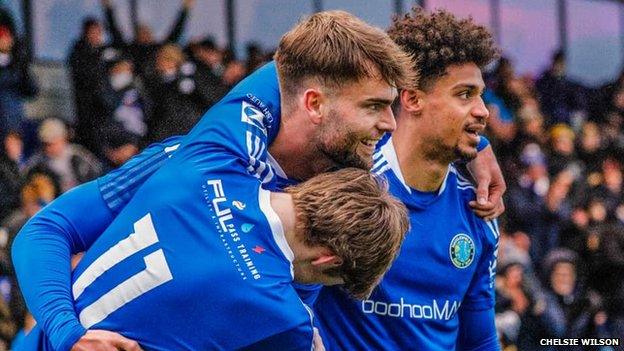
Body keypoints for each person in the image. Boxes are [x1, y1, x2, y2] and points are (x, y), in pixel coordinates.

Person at [13, 10, 503, 350]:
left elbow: (318, 50)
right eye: (376, 106)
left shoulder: (215, 147)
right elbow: (46, 229)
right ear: (314, 104)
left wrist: (470, 143)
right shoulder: (194, 152)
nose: (390, 122)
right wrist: (66, 330)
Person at [19, 165, 409, 350]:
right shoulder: (283, 320)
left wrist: (66, 331)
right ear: (327, 261)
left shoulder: (195, 157)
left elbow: (42, 231)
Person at [312, 8, 502, 350]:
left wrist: (481, 146)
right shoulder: (346, 185)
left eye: (481, 95)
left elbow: (480, 339)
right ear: (412, 99)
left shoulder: (479, 212)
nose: (483, 110)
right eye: (465, 94)